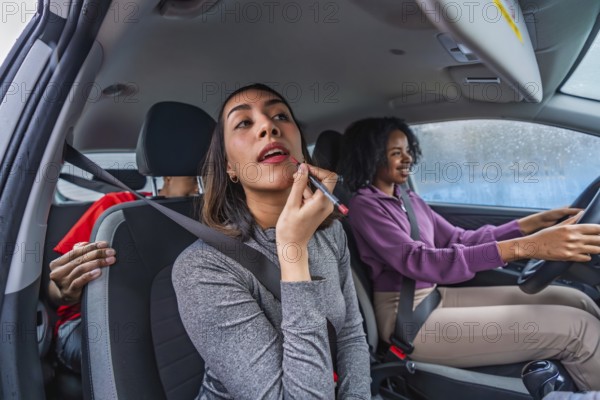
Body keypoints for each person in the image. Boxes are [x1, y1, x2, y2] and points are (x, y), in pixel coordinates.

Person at [339, 117, 600, 391]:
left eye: (408, 150)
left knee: (575, 300)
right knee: (577, 329)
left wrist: (529, 225)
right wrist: (527, 246)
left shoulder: (407, 198)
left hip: (432, 298)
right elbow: (419, 261)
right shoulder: (365, 207)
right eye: (396, 153)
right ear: (371, 157)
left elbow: (458, 238)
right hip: (405, 317)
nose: (408, 158)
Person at [172, 83, 371, 399]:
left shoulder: (330, 233)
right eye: (244, 123)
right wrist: (293, 250)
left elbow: (350, 336)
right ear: (230, 167)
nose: (268, 126)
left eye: (280, 115)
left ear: (301, 151)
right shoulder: (202, 268)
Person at [48, 176, 199, 373]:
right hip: (87, 319)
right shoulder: (116, 207)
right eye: (194, 177)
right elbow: (58, 287)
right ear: (169, 175)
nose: (201, 184)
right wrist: (65, 292)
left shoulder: (207, 214)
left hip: (167, 318)